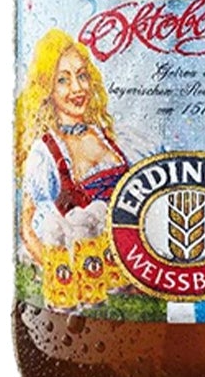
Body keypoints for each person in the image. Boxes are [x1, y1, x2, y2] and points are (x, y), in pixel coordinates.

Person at [15, 29, 132, 268]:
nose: (77, 88)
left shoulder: (107, 136)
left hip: (131, 268)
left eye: (82, 76)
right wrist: (62, 273)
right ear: (46, 88)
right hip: (90, 275)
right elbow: (28, 228)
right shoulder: (45, 152)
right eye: (63, 80)